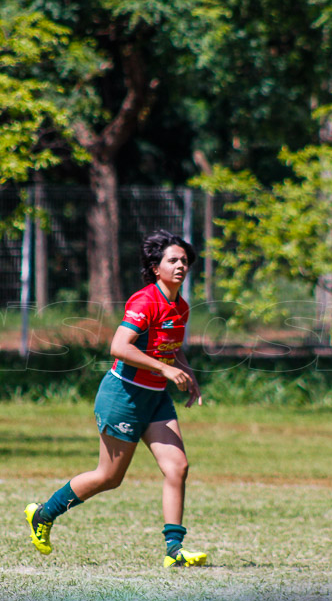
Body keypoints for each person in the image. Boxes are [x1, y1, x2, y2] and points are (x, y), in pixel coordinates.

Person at [25, 230, 207, 567]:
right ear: (156, 267)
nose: (181, 265)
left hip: (155, 399)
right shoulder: (145, 301)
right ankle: (43, 514)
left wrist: (186, 371)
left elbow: (169, 345)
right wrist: (166, 371)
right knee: (109, 477)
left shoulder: (180, 305)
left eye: (184, 260)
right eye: (173, 260)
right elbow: (118, 347)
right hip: (123, 396)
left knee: (177, 467)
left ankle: (174, 551)